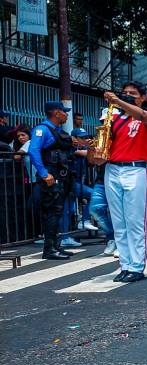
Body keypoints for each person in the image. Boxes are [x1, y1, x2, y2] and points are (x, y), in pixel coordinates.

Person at [104, 82, 147, 282]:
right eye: (124, 93)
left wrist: (119, 101)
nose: (128, 96)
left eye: (133, 94)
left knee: (135, 221)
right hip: (112, 169)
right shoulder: (113, 117)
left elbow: (144, 118)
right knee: (118, 222)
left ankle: (136, 266)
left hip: (136, 169)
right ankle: (125, 265)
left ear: (142, 98)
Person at [26, 101, 75, 260]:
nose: (66, 114)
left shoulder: (56, 130)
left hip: (58, 175)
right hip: (50, 175)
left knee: (57, 211)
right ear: (56, 112)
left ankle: (55, 246)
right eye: (64, 111)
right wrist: (44, 173)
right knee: (51, 212)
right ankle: (49, 249)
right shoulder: (42, 129)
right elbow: (33, 151)